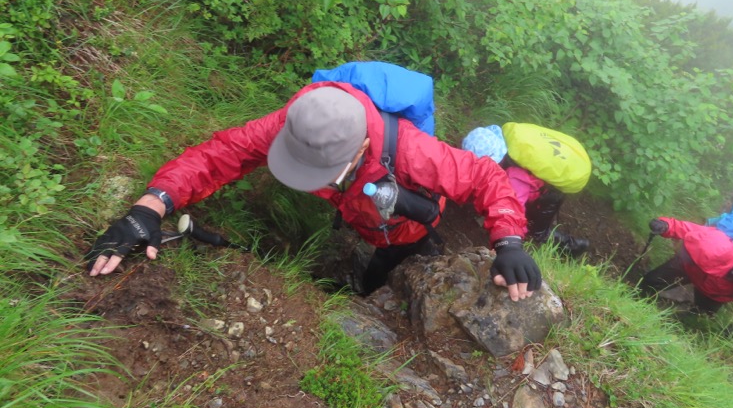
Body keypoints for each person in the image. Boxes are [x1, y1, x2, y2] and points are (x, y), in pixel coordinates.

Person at [86, 81, 541, 301]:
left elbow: (486, 178)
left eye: (324, 172)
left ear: (363, 147)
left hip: (405, 228)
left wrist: (508, 241)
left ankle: (376, 284)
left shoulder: (415, 153)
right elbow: (217, 155)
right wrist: (151, 205)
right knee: (372, 263)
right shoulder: (296, 124)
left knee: (393, 261)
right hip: (363, 221)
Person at [461, 125, 590, 257]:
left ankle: (574, 247)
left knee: (539, 232)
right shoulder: (510, 139)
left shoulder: (515, 178)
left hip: (552, 192)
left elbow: (515, 208)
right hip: (559, 167)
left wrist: (513, 237)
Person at [641, 217, 733, 333]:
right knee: (650, 281)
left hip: (714, 293)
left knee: (698, 317)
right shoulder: (709, 235)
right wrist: (665, 224)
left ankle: (682, 325)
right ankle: (638, 299)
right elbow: (684, 228)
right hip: (688, 268)